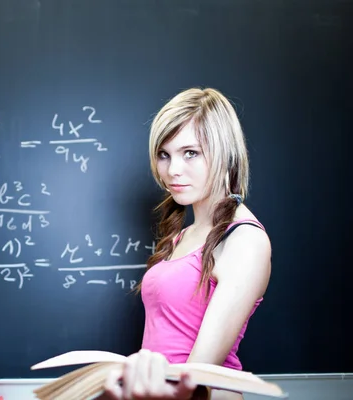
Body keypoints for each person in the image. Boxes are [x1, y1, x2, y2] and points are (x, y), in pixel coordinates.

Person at [102, 88, 272, 400]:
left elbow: (196, 380)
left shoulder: (244, 240)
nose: (173, 170)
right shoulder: (184, 235)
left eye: (190, 153)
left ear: (224, 152)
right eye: (164, 154)